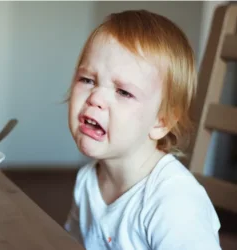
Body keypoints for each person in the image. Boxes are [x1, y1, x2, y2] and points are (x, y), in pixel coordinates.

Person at [64, 9, 221, 250]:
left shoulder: (174, 202)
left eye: (123, 92)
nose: (95, 97)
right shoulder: (87, 181)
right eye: (87, 80)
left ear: (161, 122)